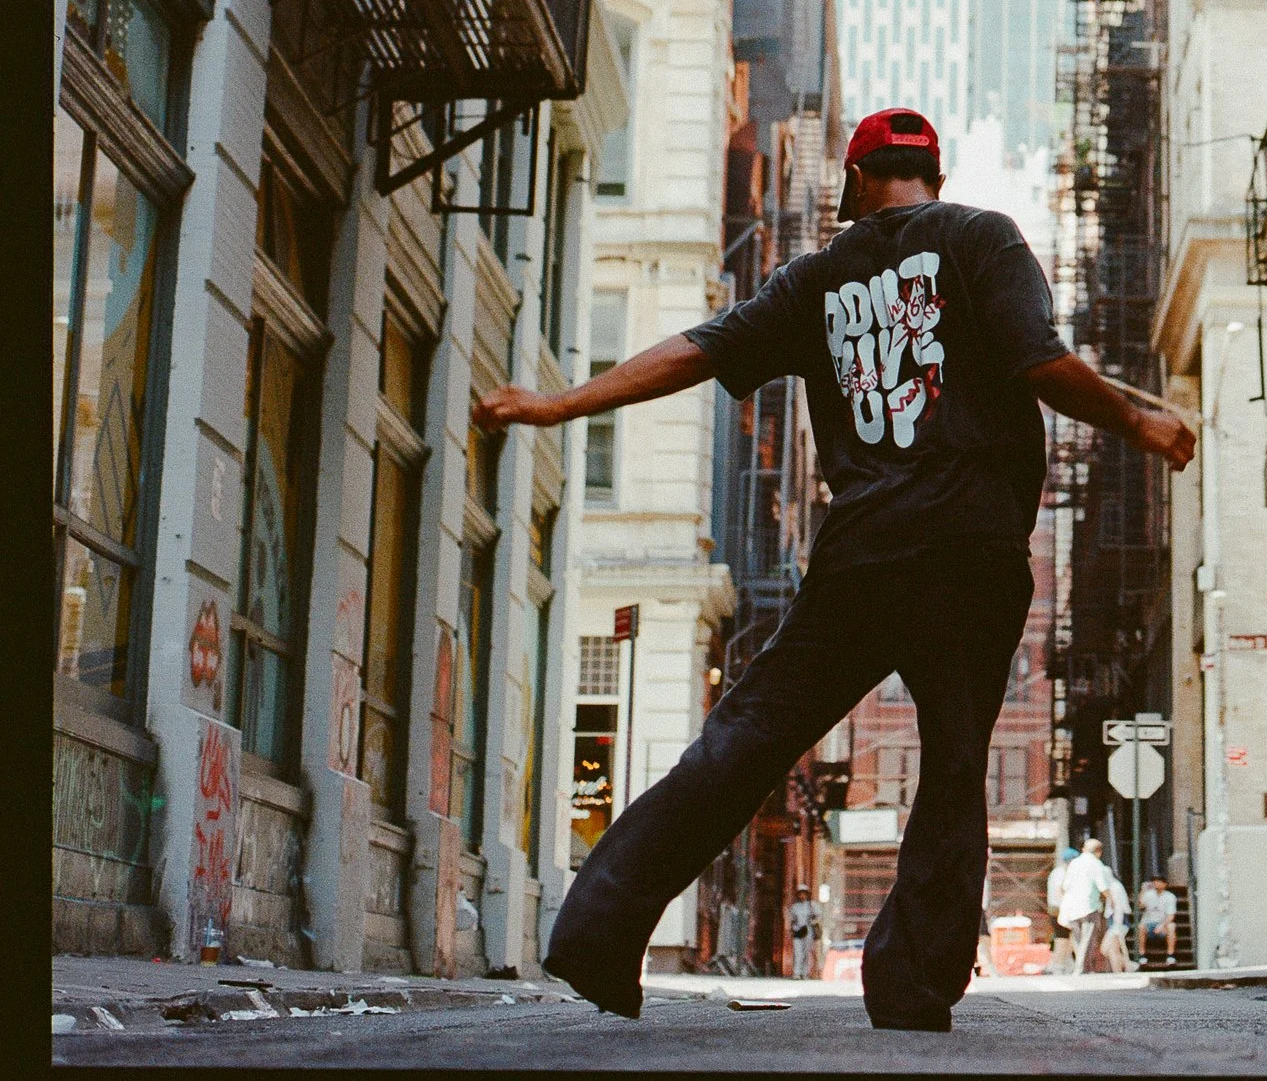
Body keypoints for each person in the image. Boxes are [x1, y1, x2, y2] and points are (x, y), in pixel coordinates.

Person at [473, 109, 1194, 1034]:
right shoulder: (983, 237)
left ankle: (601, 929)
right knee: (955, 761)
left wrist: (556, 405)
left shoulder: (816, 278)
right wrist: (1140, 422)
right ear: (933, 172)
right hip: (974, 550)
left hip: (866, 551)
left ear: (856, 186)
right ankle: (910, 986)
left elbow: (694, 351)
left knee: (745, 738)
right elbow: (1040, 361)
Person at [1058, 835, 1114, 973]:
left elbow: (1064, 886)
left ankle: (1084, 966)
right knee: (1088, 939)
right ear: (1099, 852)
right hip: (1090, 906)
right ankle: (1082, 967)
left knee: (1078, 939)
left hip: (1073, 907)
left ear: (1084, 849)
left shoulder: (1074, 863)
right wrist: (1112, 900)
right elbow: (1102, 886)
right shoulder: (1096, 864)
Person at [1134, 875, 1178, 969]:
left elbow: (1171, 916)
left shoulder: (1170, 896)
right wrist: (1142, 891)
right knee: (1141, 926)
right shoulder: (1148, 894)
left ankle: (1170, 956)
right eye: (1154, 881)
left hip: (1162, 925)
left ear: (1165, 884)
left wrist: (1162, 925)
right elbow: (1140, 906)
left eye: (1159, 881)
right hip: (1148, 924)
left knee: (1171, 926)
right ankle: (1142, 956)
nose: (1156, 883)